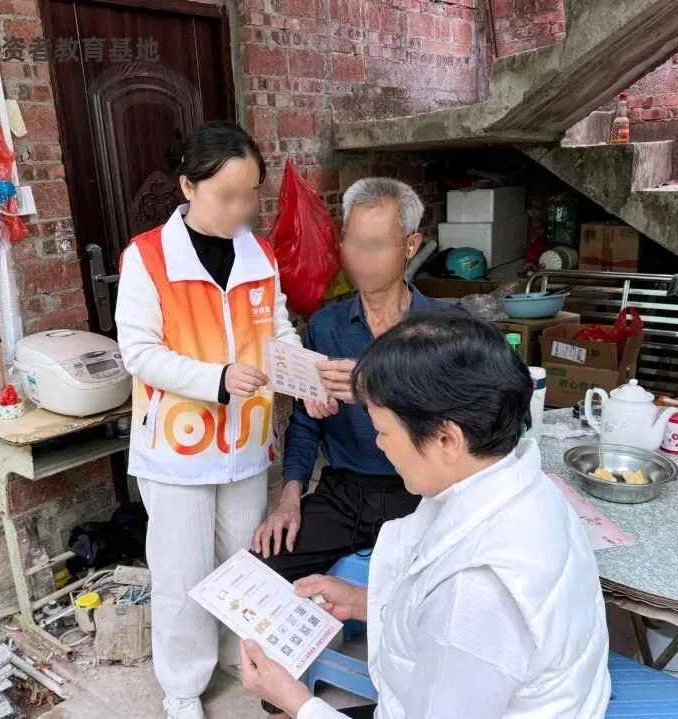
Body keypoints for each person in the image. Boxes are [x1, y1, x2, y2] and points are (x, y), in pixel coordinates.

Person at [240, 310, 612, 719]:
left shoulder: (477, 592)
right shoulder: (528, 484)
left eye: (384, 431)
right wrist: (365, 602)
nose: (379, 445)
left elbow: (462, 622)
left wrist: (296, 701)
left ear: (448, 440)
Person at [115, 121, 301, 719]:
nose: (240, 210)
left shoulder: (259, 253)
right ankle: (182, 684)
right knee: (182, 573)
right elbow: (138, 352)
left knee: (240, 562)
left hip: (246, 441)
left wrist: (305, 377)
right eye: (227, 196)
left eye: (250, 196)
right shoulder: (147, 257)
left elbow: (278, 332)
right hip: (178, 449)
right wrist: (215, 379)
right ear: (188, 187)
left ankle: (230, 653)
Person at [252, 178, 435, 582]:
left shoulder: (444, 329)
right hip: (345, 495)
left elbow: (459, 421)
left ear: (410, 245)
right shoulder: (325, 326)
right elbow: (305, 423)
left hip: (424, 494)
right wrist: (289, 498)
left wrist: (373, 389)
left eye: (377, 245)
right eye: (352, 242)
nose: (361, 259)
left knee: (437, 591)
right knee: (258, 574)